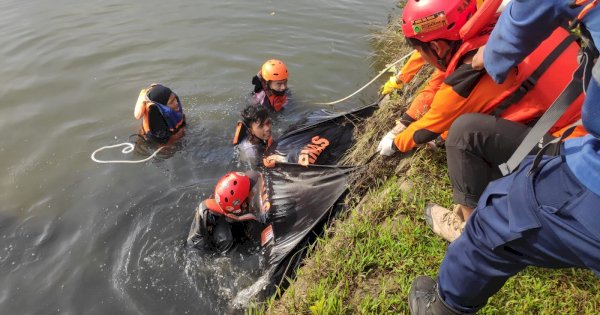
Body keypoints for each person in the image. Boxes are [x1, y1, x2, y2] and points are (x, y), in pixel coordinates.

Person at [408, 1, 600, 314]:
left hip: (587, 156)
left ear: (438, 46)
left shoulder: (471, 66)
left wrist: (395, 138)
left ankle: (445, 297)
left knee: (498, 214)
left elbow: (429, 125)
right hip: (573, 124)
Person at [375, 0, 587, 241]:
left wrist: (394, 143)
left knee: (462, 134)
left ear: (435, 46)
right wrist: (407, 117)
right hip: (587, 119)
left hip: (574, 155)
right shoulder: (513, 23)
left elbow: (427, 129)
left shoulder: (467, 76)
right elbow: (440, 78)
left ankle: (474, 232)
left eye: (420, 51)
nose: (421, 56)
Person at [186, 171, 265, 253]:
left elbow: (255, 175)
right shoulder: (226, 238)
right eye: (250, 193)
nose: (253, 194)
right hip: (218, 247)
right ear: (242, 205)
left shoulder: (218, 202)